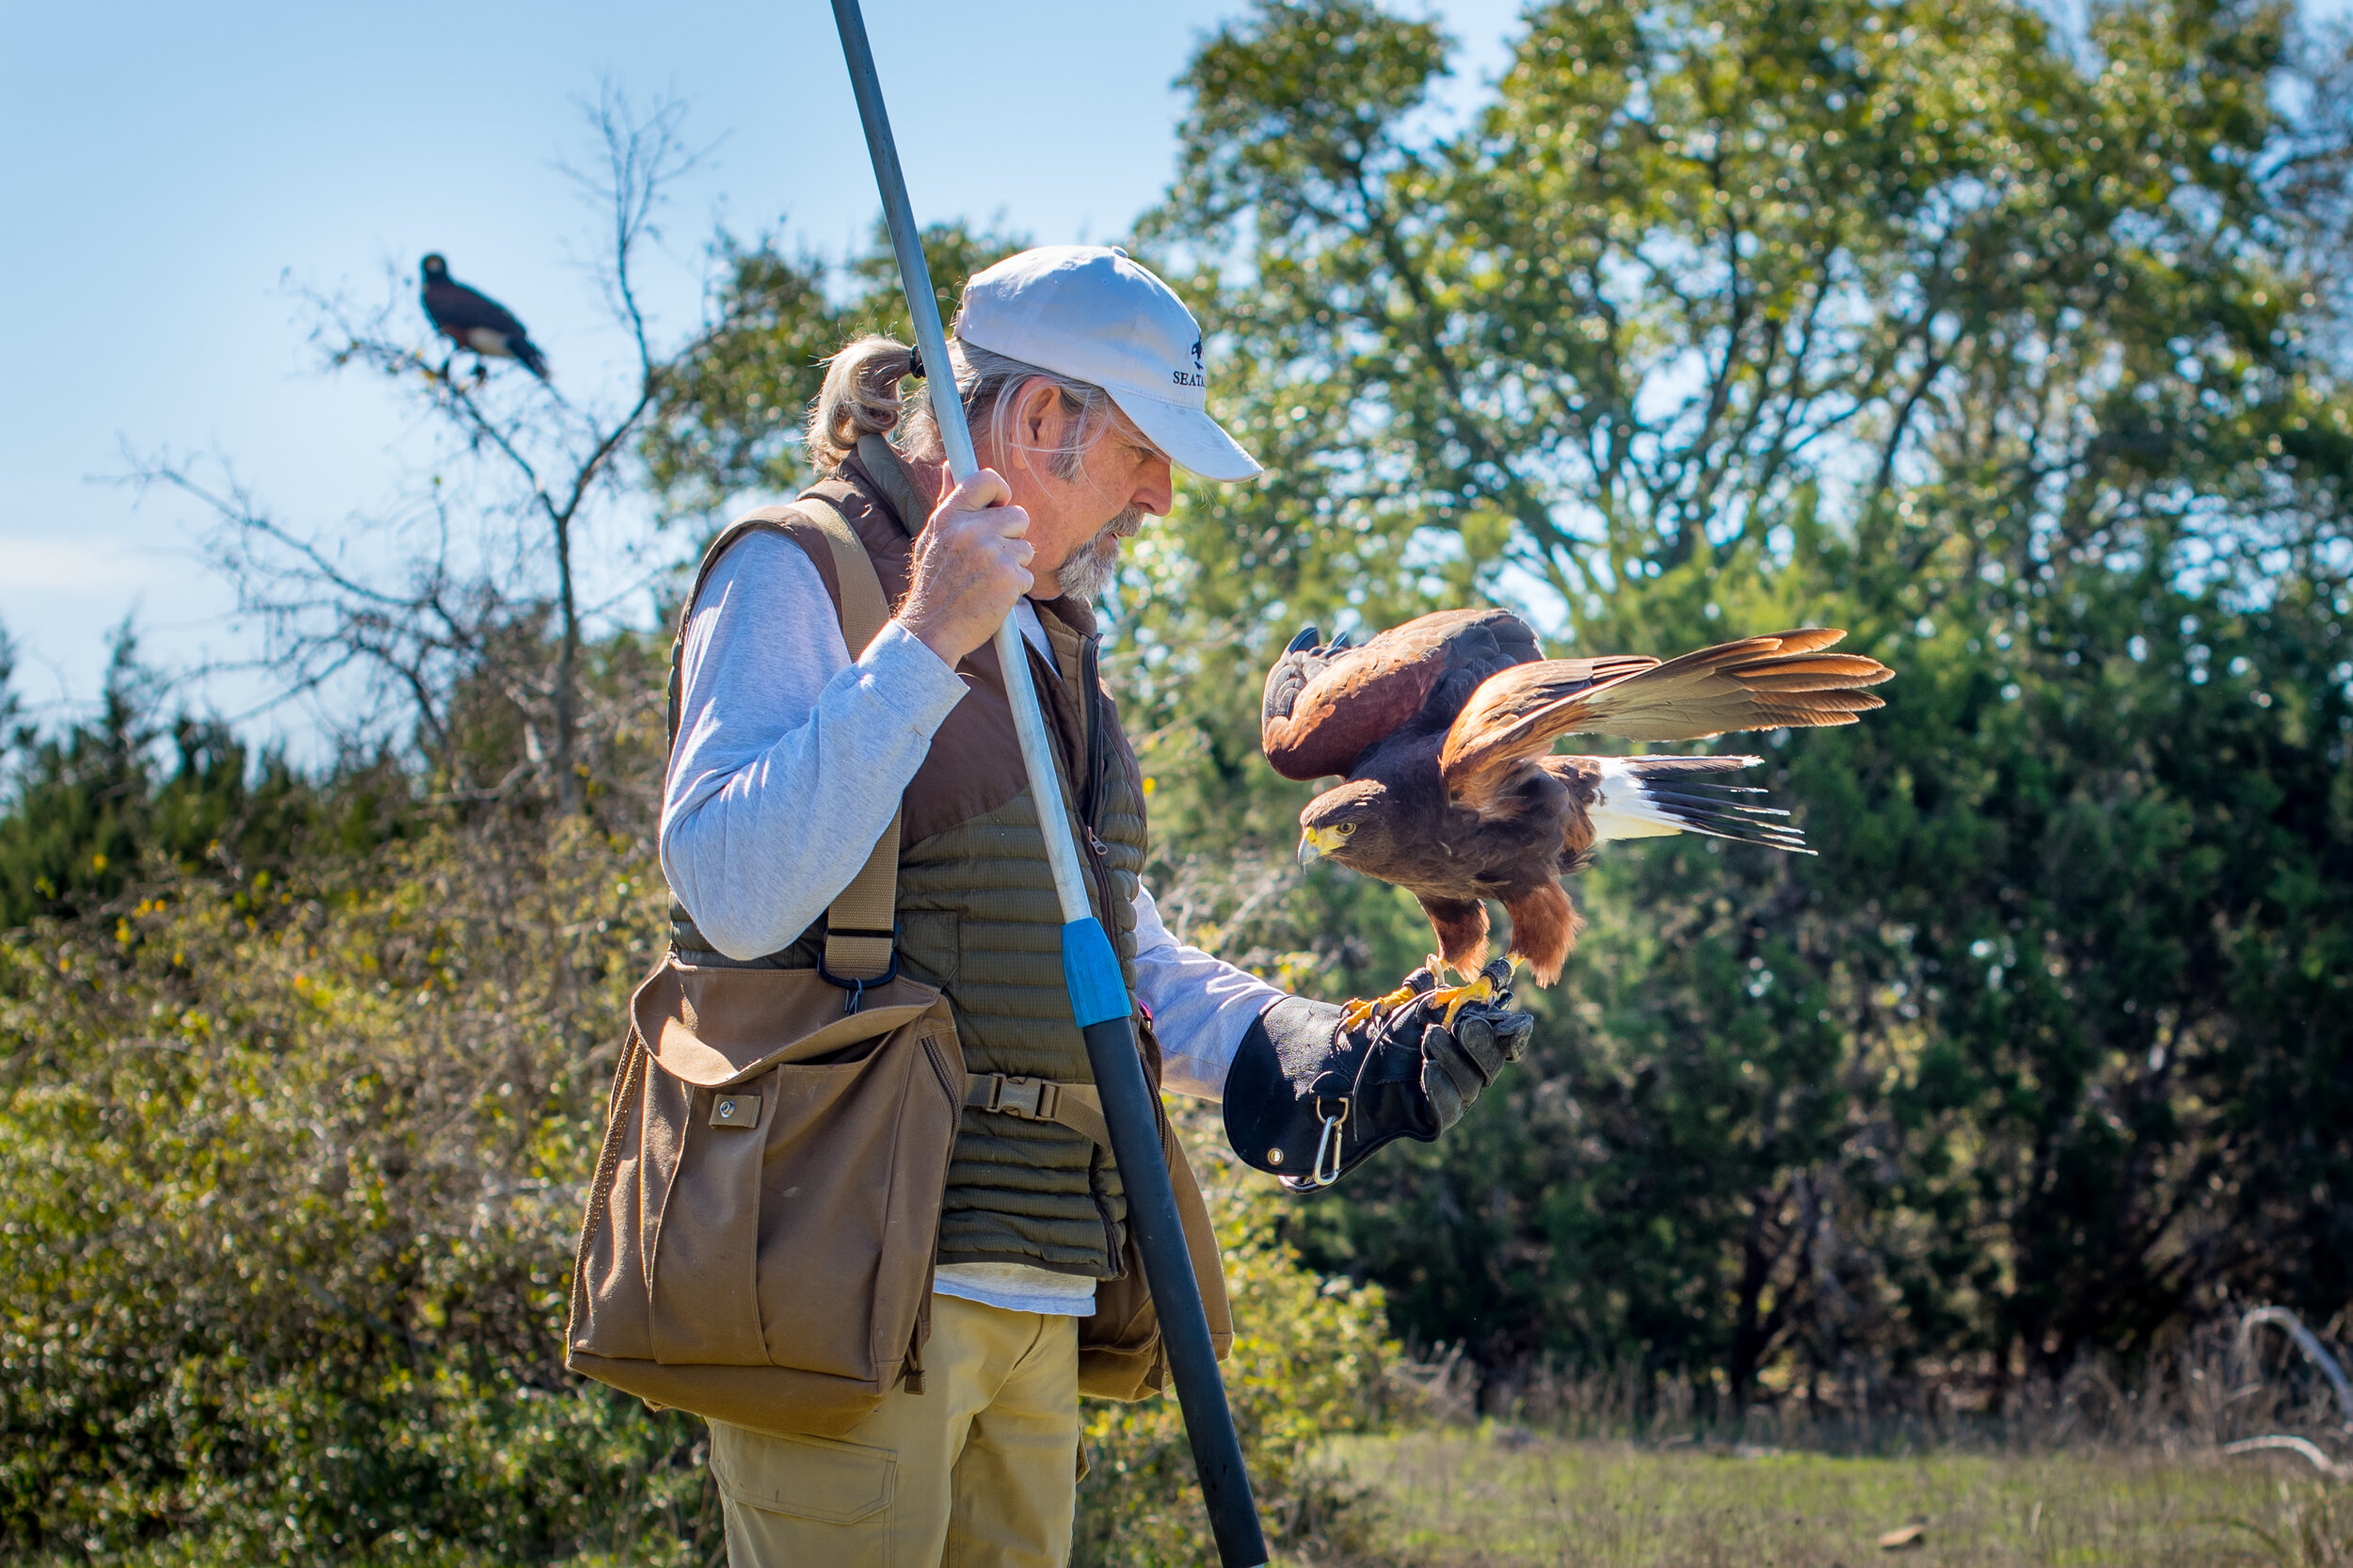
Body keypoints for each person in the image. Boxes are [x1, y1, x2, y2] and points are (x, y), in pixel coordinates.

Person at [658, 244, 1531, 1568]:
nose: (1165, 495)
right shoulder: (802, 567)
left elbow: (1101, 945)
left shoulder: (1051, 632)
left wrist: (1313, 1054)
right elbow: (727, 885)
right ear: (1044, 419)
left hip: (1038, 1280)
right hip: (853, 1283)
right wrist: (923, 640)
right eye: (1144, 448)